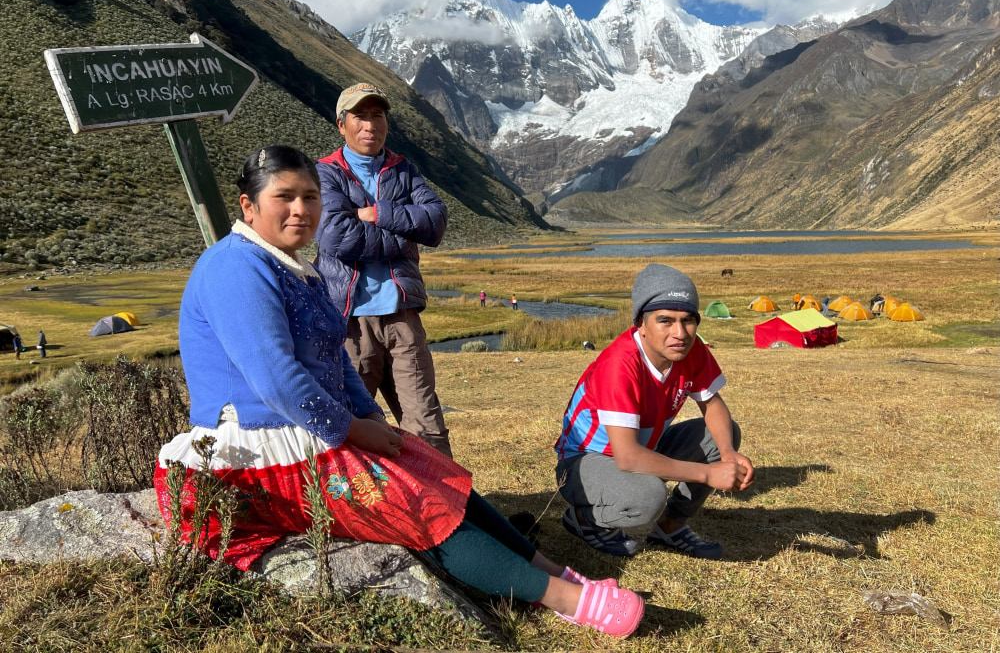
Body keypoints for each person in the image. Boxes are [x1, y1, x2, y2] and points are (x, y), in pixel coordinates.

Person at [154, 145, 643, 638]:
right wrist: (352, 431)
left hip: (311, 434)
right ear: (248, 206)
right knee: (416, 508)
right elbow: (277, 381)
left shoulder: (294, 266)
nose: (300, 209)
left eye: (309, 196)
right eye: (284, 197)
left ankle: (549, 569)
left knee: (438, 474)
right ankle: (568, 599)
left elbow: (335, 359)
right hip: (260, 453)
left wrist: (372, 419)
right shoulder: (236, 267)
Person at [554, 264, 755, 559]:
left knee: (723, 433)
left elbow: (712, 404)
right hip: (585, 463)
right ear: (641, 324)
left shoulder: (692, 350)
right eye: (665, 321)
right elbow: (628, 456)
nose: (680, 333)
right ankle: (584, 520)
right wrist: (709, 473)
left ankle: (670, 526)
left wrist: (727, 453)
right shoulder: (619, 364)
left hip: (646, 446)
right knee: (647, 495)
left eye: (688, 321)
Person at [314, 83, 452, 458]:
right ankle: (357, 510)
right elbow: (337, 237)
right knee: (349, 424)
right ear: (341, 125)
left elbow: (436, 222)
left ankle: (445, 512)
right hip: (349, 323)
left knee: (425, 423)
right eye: (360, 116)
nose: (370, 125)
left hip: (402, 316)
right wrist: (405, 237)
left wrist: (380, 214)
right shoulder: (325, 173)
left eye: (377, 115)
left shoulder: (404, 169)